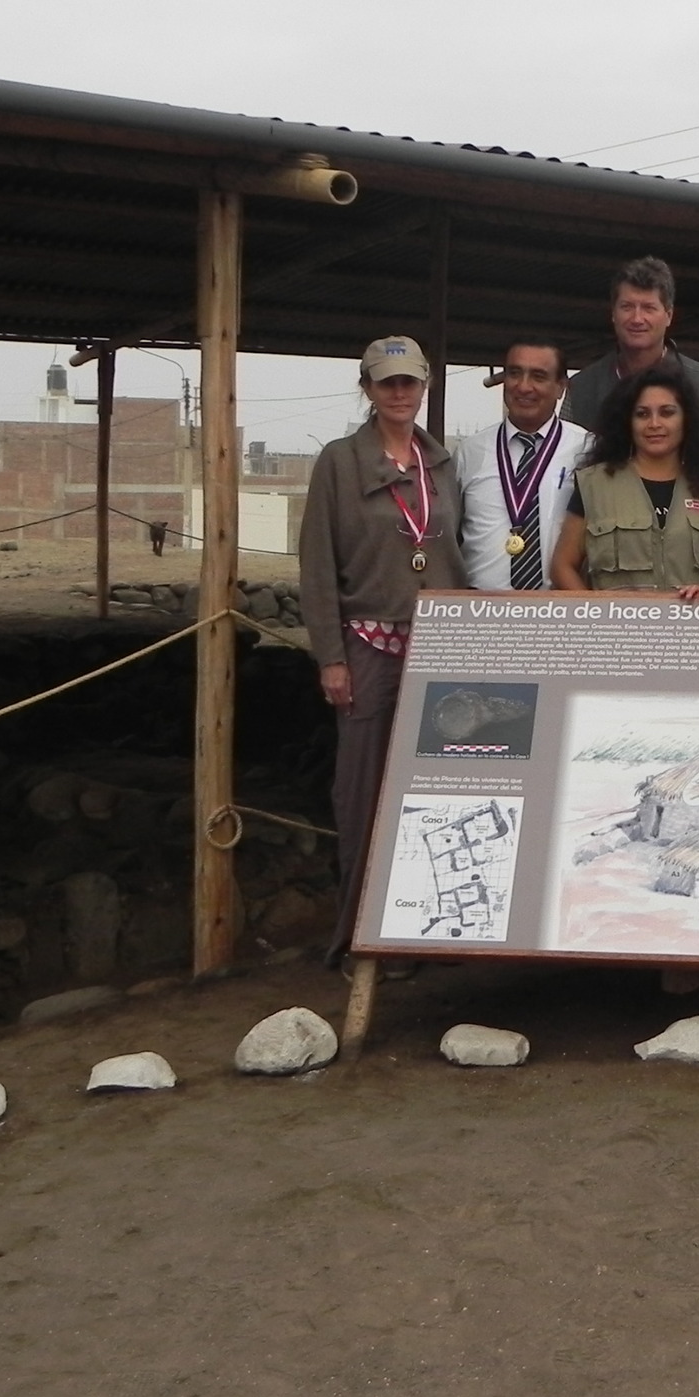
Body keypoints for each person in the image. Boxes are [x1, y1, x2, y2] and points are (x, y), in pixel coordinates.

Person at [298, 336, 468, 966]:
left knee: (435, 794)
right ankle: (358, 939)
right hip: (369, 646)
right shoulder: (340, 462)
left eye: (410, 383)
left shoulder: (442, 464)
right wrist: (330, 657)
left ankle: (427, 933)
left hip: (438, 650)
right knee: (361, 793)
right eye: (386, 382)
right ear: (367, 388)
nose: (400, 393)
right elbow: (317, 565)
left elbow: (455, 555)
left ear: (424, 387)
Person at [550, 368, 699, 591]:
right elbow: (562, 566)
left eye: (667, 413)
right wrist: (594, 615)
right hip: (616, 625)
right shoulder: (593, 484)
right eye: (642, 414)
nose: (654, 424)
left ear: (686, 419)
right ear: (627, 421)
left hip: (690, 625)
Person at [560, 255, 699, 478]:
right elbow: (563, 462)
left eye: (648, 308)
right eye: (627, 306)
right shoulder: (581, 388)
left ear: (668, 315)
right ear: (613, 314)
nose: (637, 318)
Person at [457, 338, 594, 590]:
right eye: (515, 374)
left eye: (538, 376)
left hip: (560, 613)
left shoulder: (588, 450)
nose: (523, 386)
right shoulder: (470, 451)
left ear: (561, 387)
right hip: (479, 614)